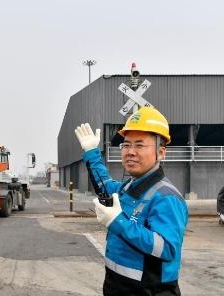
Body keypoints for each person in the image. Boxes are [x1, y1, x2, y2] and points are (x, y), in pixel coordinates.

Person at [74, 106, 189, 296]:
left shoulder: (166, 197)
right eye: (126, 145)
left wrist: (118, 222)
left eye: (140, 145)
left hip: (149, 291)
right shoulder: (127, 187)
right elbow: (104, 185)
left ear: (161, 153)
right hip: (117, 286)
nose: (130, 152)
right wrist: (92, 152)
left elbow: (167, 249)